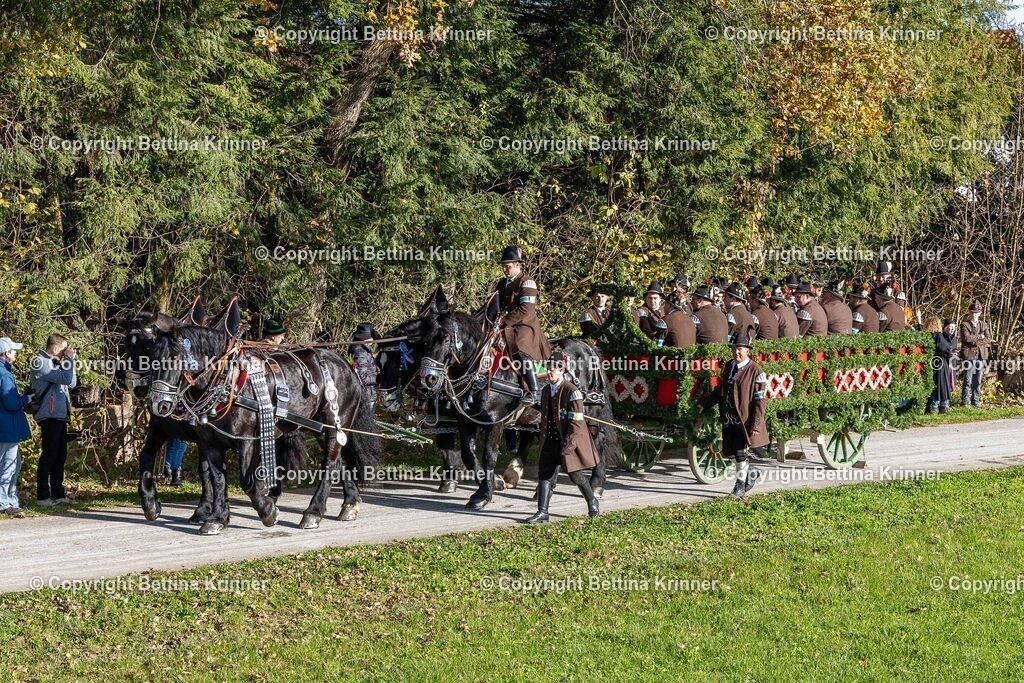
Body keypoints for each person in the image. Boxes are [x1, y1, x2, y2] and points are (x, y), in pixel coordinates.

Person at [521, 349, 600, 524]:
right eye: (547, 368)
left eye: (552, 369)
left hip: (569, 441)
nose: (549, 372)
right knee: (544, 474)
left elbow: (577, 423)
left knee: (576, 476)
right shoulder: (545, 391)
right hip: (549, 440)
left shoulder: (572, 392)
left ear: (562, 370)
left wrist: (569, 445)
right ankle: (542, 512)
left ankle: (592, 501)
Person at [697, 326, 769, 498]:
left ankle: (739, 487)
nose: (737, 353)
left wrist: (756, 424)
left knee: (739, 452)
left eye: (740, 349)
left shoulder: (756, 371)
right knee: (728, 452)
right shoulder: (729, 367)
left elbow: (760, 401)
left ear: (747, 351)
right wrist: (703, 404)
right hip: (729, 418)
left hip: (745, 419)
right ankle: (752, 472)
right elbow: (719, 391)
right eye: (735, 349)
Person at [491, 245, 550, 405]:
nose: (505, 269)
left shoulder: (528, 283)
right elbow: (493, 305)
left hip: (524, 326)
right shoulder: (501, 284)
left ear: (517, 264)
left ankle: (534, 390)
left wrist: (504, 320)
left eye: (508, 266)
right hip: (504, 326)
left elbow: (526, 309)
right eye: (503, 266)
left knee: (520, 349)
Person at [31, 333, 77, 506]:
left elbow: (71, 383)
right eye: (64, 349)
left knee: (60, 456)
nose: (66, 352)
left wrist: (69, 362)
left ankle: (58, 493)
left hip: (60, 415)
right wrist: (69, 360)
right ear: (56, 348)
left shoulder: (57, 362)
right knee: (49, 455)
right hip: (49, 415)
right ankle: (43, 496)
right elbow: (65, 378)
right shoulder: (40, 362)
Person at [0, 338, 33, 517]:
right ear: (6, 354)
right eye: (13, 351)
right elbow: (11, 402)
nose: (15, 353)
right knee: (8, 465)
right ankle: (5, 502)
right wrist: (26, 399)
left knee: (15, 463)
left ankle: (11, 498)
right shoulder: (4, 374)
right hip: (7, 426)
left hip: (5, 426)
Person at [637, 282, 695, 348]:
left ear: (660, 299)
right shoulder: (642, 311)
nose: (652, 301)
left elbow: (658, 345)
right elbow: (647, 333)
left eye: (655, 298)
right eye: (650, 298)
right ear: (645, 298)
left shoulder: (664, 311)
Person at [959, 301, 991, 408]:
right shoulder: (964, 324)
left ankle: (975, 401)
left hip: (981, 356)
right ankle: (965, 402)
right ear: (969, 312)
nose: (974, 314)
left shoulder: (984, 324)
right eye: (972, 312)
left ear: (980, 313)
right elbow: (966, 338)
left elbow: (988, 338)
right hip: (969, 355)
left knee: (977, 380)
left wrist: (976, 340)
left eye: (976, 312)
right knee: (967, 379)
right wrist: (980, 337)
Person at [927, 318, 957, 414]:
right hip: (940, 363)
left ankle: (935, 405)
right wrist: (950, 354)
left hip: (931, 362)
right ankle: (941, 405)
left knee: (935, 385)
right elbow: (945, 348)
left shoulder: (927, 335)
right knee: (942, 385)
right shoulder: (938, 335)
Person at [351, 322, 379, 408]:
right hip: (366, 395)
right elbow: (362, 379)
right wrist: (379, 378)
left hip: (368, 393)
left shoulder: (364, 350)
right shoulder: (361, 353)